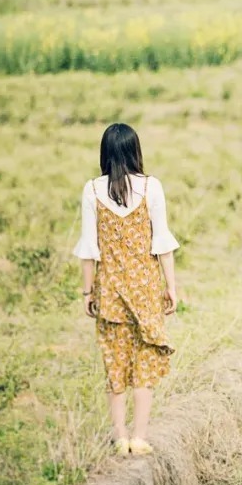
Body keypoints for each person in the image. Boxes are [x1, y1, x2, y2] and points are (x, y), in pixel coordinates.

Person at [73, 123, 179, 456]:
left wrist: (88, 292)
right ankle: (140, 436)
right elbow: (162, 243)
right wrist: (171, 287)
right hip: (146, 288)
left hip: (110, 291)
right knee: (144, 361)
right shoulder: (152, 188)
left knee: (114, 362)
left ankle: (119, 437)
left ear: (105, 153)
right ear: (135, 150)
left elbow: (90, 248)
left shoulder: (91, 190)